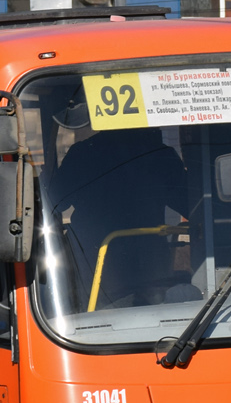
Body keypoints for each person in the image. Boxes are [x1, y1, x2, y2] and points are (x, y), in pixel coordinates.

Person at [49, 108, 191, 307]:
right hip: (143, 261)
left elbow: (55, 201)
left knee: (100, 315)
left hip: (98, 258)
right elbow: (190, 205)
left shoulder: (83, 153)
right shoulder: (159, 154)